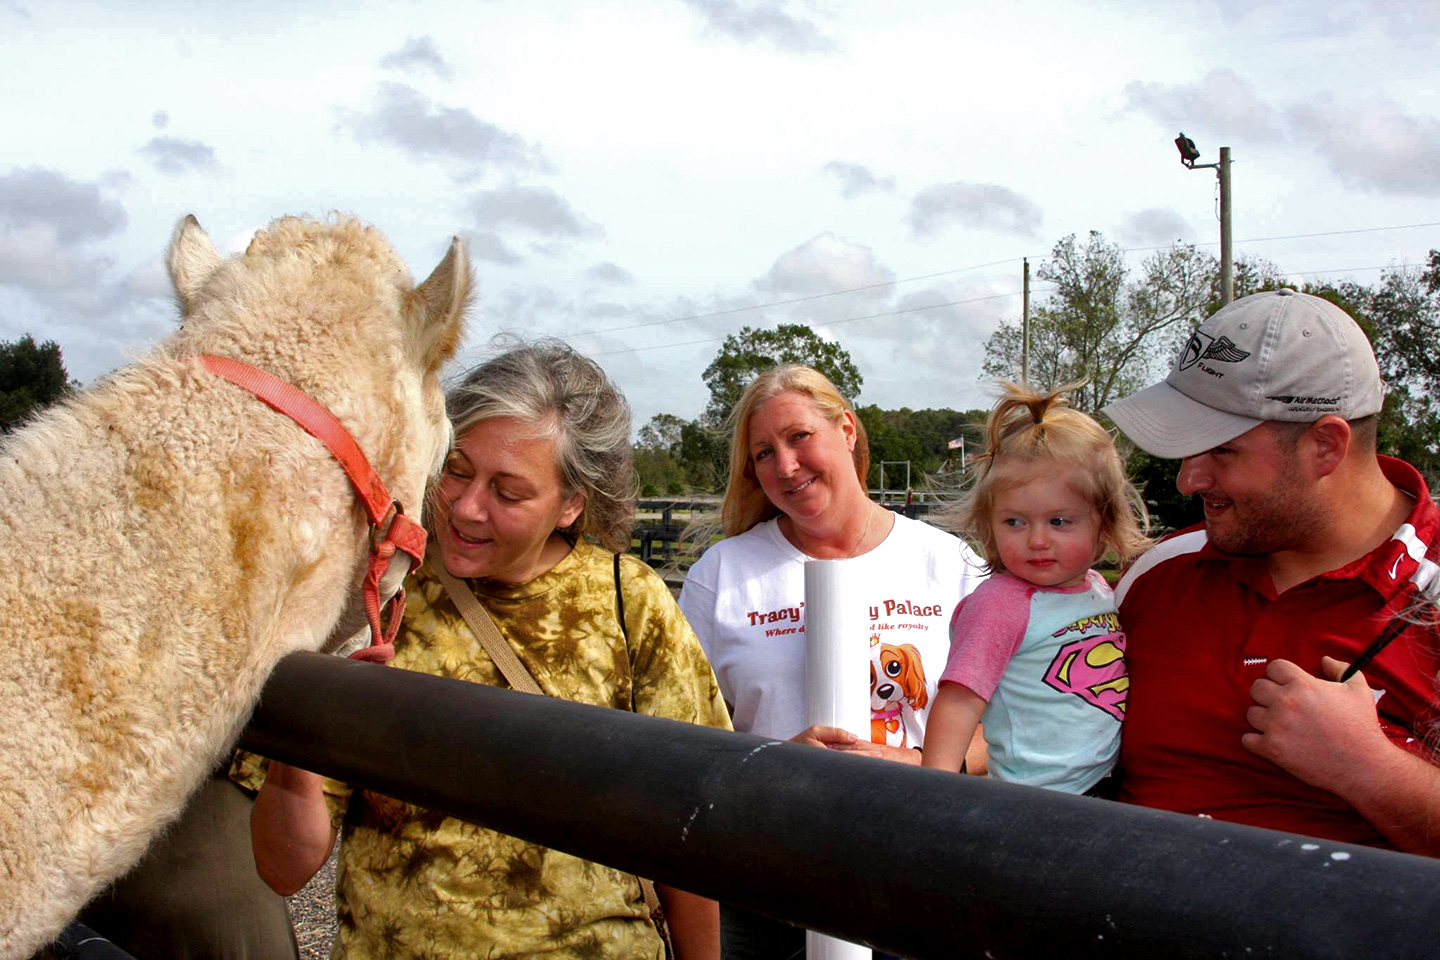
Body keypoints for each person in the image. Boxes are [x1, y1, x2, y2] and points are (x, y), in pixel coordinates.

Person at [247, 341, 732, 958]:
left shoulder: (628, 603)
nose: (467, 508)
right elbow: (285, 870)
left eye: (508, 492)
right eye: (456, 470)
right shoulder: (381, 598)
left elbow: (685, 826)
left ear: (571, 505)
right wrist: (302, 741)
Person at [1100, 288, 1440, 855]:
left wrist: (1370, 770)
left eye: (1221, 451)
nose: (1188, 481)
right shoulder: (1156, 574)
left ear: (1325, 445)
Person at [678, 364, 986, 957]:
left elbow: (1000, 736)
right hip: (766, 884)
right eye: (763, 453)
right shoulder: (723, 576)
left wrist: (917, 762)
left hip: (919, 876)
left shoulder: (947, 564)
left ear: (846, 429)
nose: (785, 466)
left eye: (798, 437)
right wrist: (774, 766)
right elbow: (686, 743)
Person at [922, 383, 1149, 795]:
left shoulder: (1099, 589)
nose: (1037, 540)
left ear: (1104, 525)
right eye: (1015, 522)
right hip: (1036, 797)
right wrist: (934, 797)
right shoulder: (1000, 604)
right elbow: (958, 703)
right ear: (988, 524)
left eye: (1059, 522)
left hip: (1107, 786)